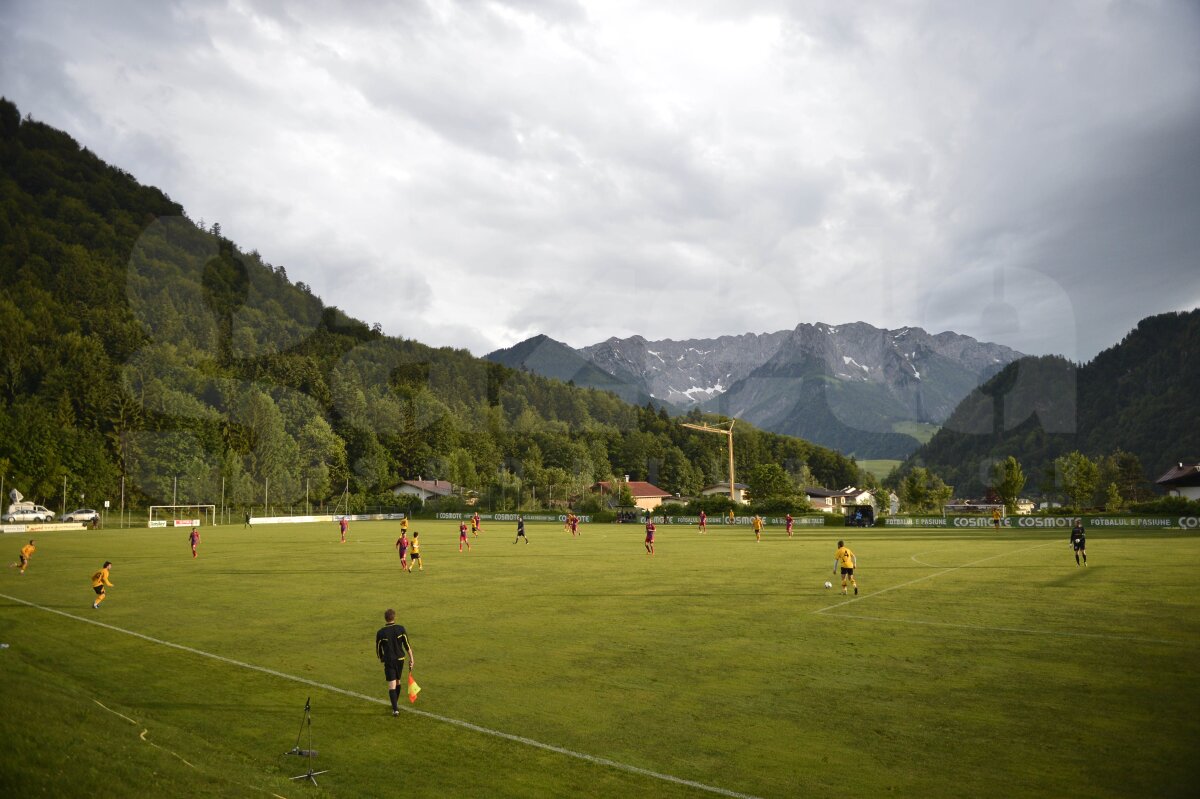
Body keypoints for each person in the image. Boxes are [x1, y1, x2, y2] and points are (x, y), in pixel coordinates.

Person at [375, 608, 415, 717]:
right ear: (394, 617)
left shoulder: (381, 632)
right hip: (400, 660)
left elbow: (378, 649)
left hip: (389, 660)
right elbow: (407, 645)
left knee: (392, 684)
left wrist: (381, 658)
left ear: (385, 618)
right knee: (398, 681)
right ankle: (395, 704)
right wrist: (412, 659)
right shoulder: (400, 629)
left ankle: (395, 709)